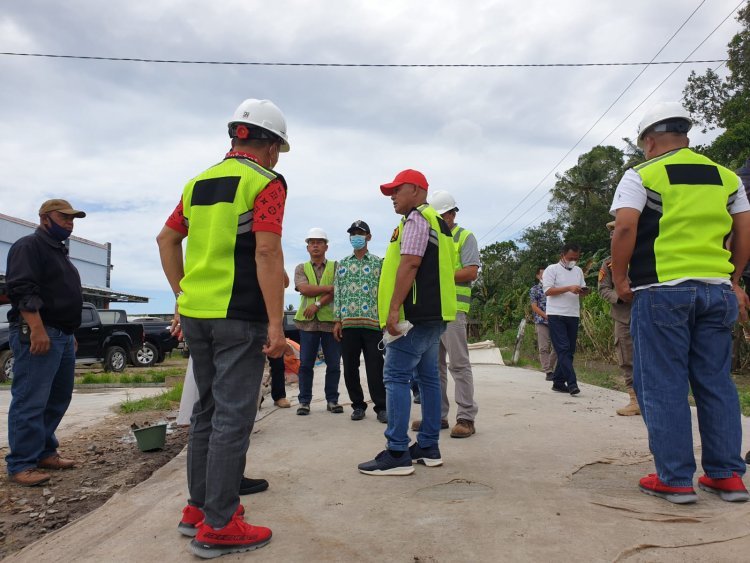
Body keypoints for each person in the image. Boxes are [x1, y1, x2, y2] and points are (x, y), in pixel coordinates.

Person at [157, 98, 288, 557]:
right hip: (239, 315)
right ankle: (221, 525)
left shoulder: (197, 182)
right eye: (278, 150)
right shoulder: (265, 182)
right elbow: (267, 252)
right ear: (269, 145)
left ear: (236, 137)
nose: (277, 159)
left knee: (207, 415)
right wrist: (276, 321)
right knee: (234, 417)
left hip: (197, 315)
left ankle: (197, 511)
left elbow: (167, 239)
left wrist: (181, 295)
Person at [610, 101, 750, 504]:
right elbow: (744, 231)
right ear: (685, 137)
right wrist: (733, 279)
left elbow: (624, 228)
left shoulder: (642, 175)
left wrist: (620, 279)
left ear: (649, 141)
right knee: (716, 383)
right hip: (717, 291)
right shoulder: (727, 178)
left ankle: (673, 479)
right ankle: (726, 476)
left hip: (661, 292)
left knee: (662, 386)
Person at [358, 169, 456, 476]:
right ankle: (428, 445)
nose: (392, 197)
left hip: (413, 316)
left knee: (396, 376)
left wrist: (393, 309)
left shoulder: (416, 219)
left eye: (396, 190)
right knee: (427, 378)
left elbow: (410, 262)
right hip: (435, 314)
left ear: (415, 189)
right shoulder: (438, 222)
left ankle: (397, 451)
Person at [5, 199, 85, 487]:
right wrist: (36, 328)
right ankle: (21, 464)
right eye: (63, 217)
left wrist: (69, 332)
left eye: (72, 218)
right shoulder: (29, 246)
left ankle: (44, 452)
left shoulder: (59, 253)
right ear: (44, 218)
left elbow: (60, 297)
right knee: (31, 399)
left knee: (57, 397)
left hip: (61, 335)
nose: (69, 222)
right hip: (38, 332)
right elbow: (21, 288)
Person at [412, 190, 479, 438]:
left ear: (452, 213)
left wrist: (436, 276)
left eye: (443, 215)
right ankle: (437, 416)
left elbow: (471, 272)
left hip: (454, 311)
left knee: (459, 365)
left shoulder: (465, 237)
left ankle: (466, 418)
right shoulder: (433, 237)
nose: (440, 220)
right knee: (433, 367)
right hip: (432, 310)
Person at [332, 220, 387, 423]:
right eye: (353, 233)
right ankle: (357, 405)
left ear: (369, 237)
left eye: (360, 233)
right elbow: (338, 293)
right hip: (348, 325)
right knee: (350, 367)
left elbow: (384, 293)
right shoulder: (343, 264)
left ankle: (381, 407)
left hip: (373, 323)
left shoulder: (378, 263)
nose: (356, 236)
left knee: (376, 367)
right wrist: (337, 321)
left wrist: (385, 320)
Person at [293, 228, 342, 415]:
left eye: (319, 242)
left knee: (334, 364)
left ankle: (332, 400)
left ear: (326, 246)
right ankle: (304, 402)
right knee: (305, 364)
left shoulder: (336, 266)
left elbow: (338, 291)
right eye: (311, 242)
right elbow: (304, 289)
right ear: (307, 247)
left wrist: (318, 304)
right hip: (308, 324)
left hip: (330, 322)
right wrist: (329, 288)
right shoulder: (301, 268)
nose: (315, 245)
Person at [598, 221, 638, 416]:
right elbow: (603, 289)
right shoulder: (608, 263)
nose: (614, 235)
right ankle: (634, 400)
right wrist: (619, 297)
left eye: (618, 231)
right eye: (612, 233)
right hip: (623, 318)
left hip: (650, 314)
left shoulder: (647, 255)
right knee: (626, 358)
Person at [543, 243, 589, 396]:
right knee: (562, 348)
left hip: (573, 314)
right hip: (556, 314)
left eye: (576, 258)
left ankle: (557, 382)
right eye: (570, 258)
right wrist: (569, 288)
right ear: (562, 255)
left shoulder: (578, 271)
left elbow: (581, 288)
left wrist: (582, 291)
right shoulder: (551, 269)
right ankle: (572, 382)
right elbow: (548, 291)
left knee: (569, 351)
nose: (573, 261)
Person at [530, 267, 557, 381]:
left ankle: (550, 366)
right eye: (542, 274)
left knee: (558, 347)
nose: (544, 276)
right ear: (537, 276)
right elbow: (534, 306)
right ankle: (548, 371)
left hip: (556, 320)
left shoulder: (554, 288)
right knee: (544, 347)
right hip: (541, 321)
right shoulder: (535, 289)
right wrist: (546, 315)